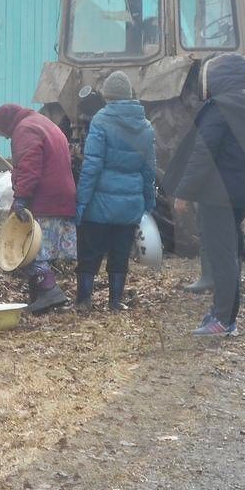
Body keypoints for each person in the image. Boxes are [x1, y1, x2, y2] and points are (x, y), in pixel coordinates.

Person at [164, 52, 245, 337]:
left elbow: (202, 153)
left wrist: (184, 192)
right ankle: (225, 314)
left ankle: (222, 319)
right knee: (231, 255)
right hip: (238, 193)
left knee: (222, 257)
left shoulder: (220, 108)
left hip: (216, 195)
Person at [72, 71, 156, 311]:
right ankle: (115, 302)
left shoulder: (101, 120)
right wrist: (148, 203)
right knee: (119, 255)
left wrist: (81, 203)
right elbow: (149, 171)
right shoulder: (146, 126)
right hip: (129, 205)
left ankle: (84, 301)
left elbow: (92, 166)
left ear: (107, 96)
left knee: (90, 253)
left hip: (99, 203)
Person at [0, 102, 77, 313]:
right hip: (61, 194)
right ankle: (39, 300)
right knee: (42, 248)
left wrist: (21, 197)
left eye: (4, 134)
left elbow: (29, 166)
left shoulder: (24, 130)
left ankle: (50, 292)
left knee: (26, 248)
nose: (6, 138)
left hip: (44, 197)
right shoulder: (42, 123)